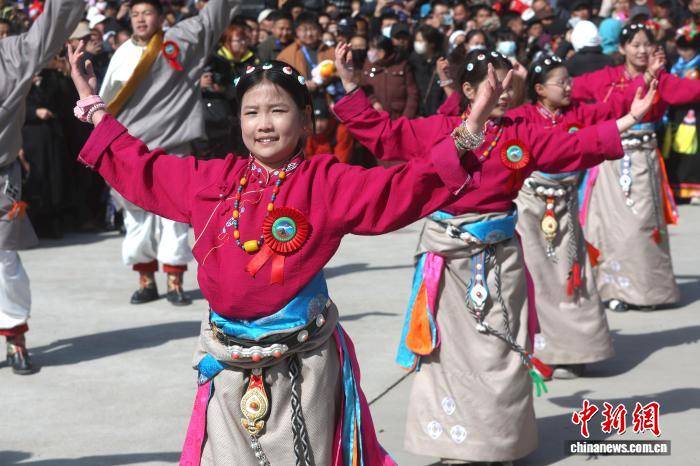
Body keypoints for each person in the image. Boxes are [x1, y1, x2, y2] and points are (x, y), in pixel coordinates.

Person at [68, 35, 483, 463]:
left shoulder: (326, 182)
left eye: (278, 111)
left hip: (303, 363)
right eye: (252, 112)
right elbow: (143, 167)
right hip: (227, 362)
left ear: (304, 119)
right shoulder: (214, 180)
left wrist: (466, 135)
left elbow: (399, 186)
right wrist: (93, 105)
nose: (263, 124)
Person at [334, 47, 656, 464]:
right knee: (449, 353)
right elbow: (384, 133)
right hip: (448, 261)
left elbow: (576, 145)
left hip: (502, 259)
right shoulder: (440, 129)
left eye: (507, 82)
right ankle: (457, 445)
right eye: (493, 82)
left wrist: (631, 118)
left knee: (501, 350)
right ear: (468, 90)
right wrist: (350, 86)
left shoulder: (522, 134)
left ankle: (499, 442)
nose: (503, 91)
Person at [512, 55, 650, 379]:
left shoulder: (579, 113)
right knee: (537, 277)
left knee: (572, 277)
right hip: (531, 208)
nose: (568, 87)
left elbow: (610, 112)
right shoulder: (522, 117)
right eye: (560, 82)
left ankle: (577, 351)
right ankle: (542, 352)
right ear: (539, 89)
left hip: (566, 205)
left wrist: (641, 87)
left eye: (569, 81)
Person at [98, 0, 238, 306]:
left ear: (161, 17)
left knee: (174, 217)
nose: (140, 19)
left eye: (147, 13)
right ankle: (146, 280)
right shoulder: (122, 54)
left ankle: (175, 282)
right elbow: (105, 105)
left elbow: (211, 20)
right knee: (137, 219)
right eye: (135, 14)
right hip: (131, 150)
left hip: (173, 145)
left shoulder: (179, 42)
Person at [575, 24, 700, 312]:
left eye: (647, 44)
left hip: (643, 162)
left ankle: (648, 292)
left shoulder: (662, 79)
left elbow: (690, 90)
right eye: (635, 44)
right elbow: (569, 89)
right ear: (622, 48)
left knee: (641, 227)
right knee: (608, 227)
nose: (642, 50)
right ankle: (611, 289)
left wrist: (653, 76)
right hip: (609, 163)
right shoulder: (605, 78)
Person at [0, 0, 83, 375]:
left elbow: (52, 25)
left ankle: (15, 335)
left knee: (4, 260)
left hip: (2, 175)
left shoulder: (13, 54)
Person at [665, 28, 700, 202]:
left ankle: (695, 190)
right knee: (676, 150)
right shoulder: (674, 66)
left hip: (695, 113)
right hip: (676, 113)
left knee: (693, 150)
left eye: (689, 49)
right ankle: (677, 188)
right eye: (682, 49)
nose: (685, 53)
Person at [361, 35, 418, 119]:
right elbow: (365, 87)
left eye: (373, 49)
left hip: (398, 115)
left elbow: (412, 93)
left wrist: (406, 117)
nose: (370, 52)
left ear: (383, 51)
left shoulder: (401, 65)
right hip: (376, 117)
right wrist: (373, 102)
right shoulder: (371, 66)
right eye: (370, 49)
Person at [277, 12, 335, 88]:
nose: (309, 34)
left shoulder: (330, 50)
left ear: (319, 30)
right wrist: (302, 86)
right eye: (304, 30)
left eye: (313, 29)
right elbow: (280, 80)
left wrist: (329, 78)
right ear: (297, 31)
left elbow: (341, 73)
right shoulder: (287, 55)